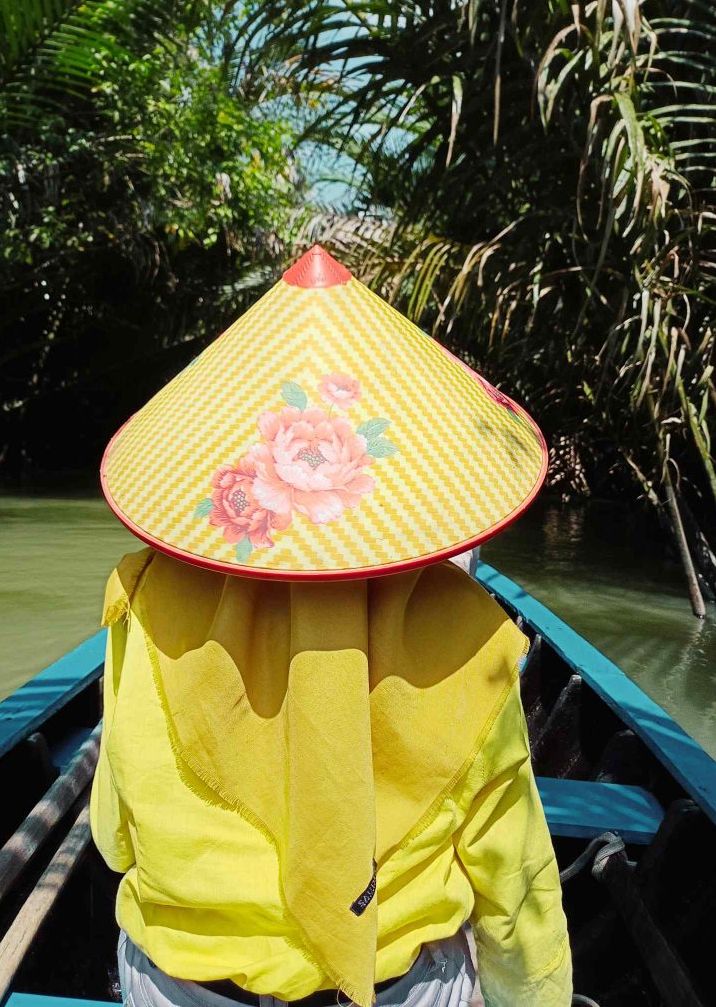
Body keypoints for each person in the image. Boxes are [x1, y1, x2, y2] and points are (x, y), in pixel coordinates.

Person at [92, 246, 572, 1007]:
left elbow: (117, 827)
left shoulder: (143, 595)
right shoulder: (468, 631)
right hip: (393, 990)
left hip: (179, 986)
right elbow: (514, 885)